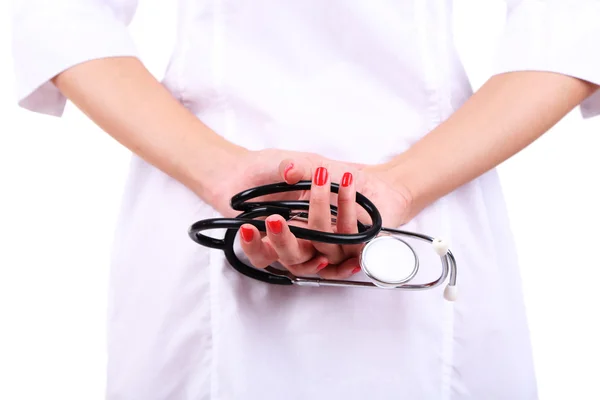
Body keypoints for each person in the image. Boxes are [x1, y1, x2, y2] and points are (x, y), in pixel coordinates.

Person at [10, 1, 600, 399]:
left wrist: (404, 185)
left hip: (432, 197)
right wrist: (222, 172)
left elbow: (577, 24)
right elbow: (57, 12)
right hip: (201, 202)